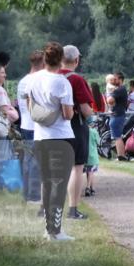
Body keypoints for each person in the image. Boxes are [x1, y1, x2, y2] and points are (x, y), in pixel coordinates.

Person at [28, 42, 76, 241]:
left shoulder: (33, 79)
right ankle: (56, 231)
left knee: (47, 183)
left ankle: (48, 229)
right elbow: (67, 114)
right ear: (61, 59)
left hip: (40, 137)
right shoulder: (62, 82)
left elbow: (30, 105)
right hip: (60, 138)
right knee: (59, 184)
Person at [60, 45, 94, 220]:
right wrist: (92, 119)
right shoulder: (76, 79)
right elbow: (85, 109)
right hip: (74, 125)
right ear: (76, 60)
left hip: (53, 128)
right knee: (76, 167)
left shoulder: (51, 77)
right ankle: (73, 209)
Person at [16, 51, 45, 204]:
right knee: (36, 161)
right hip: (36, 125)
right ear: (43, 63)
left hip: (25, 124)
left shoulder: (22, 81)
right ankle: (34, 195)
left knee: (27, 160)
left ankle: (26, 193)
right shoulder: (38, 80)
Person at [107, 72, 129, 160]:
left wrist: (109, 95)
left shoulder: (120, 89)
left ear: (120, 79)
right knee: (118, 136)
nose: (113, 81)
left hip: (117, 115)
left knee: (117, 137)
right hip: (119, 114)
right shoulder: (122, 89)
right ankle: (121, 155)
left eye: (115, 79)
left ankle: (121, 156)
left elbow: (109, 100)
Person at [84, 116, 100, 197]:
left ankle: (92, 188)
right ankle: (87, 187)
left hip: (84, 155)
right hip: (92, 155)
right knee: (91, 171)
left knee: (89, 172)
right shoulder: (94, 131)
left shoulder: (83, 131)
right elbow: (99, 142)